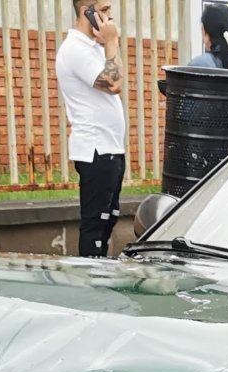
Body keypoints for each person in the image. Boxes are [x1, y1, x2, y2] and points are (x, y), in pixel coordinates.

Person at [56, 0, 126, 258]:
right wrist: (111, 42)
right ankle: (92, 284)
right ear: (87, 11)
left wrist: (106, 44)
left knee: (107, 222)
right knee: (95, 228)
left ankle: (101, 279)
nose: (110, 17)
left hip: (110, 148)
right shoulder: (75, 49)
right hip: (96, 149)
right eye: (105, 10)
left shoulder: (92, 47)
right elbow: (114, 82)